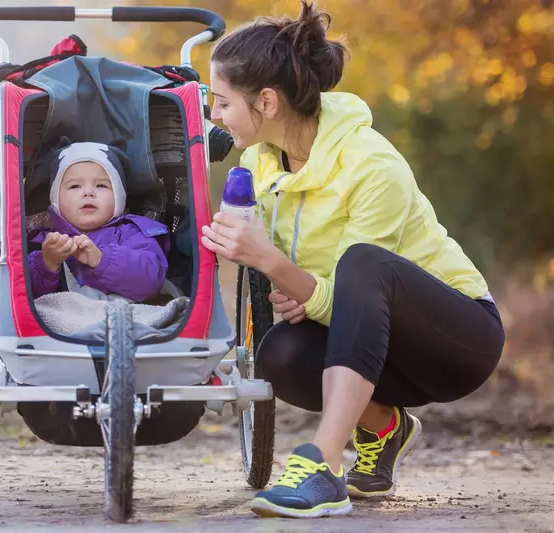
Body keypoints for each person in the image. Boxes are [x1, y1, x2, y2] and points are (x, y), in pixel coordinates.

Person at [201, 1, 505, 519]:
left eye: (222, 102)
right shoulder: (258, 163)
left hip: (458, 339)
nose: (215, 115)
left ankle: (322, 464)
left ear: (267, 103)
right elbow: (328, 296)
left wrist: (278, 266)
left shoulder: (371, 164)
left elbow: (360, 280)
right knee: (280, 354)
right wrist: (296, 286)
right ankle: (385, 426)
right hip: (374, 346)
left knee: (365, 263)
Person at [27, 138, 169, 302]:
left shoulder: (132, 232)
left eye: (101, 186)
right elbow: (25, 297)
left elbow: (151, 281)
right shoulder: (44, 240)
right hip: (64, 322)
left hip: (124, 318)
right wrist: (47, 264)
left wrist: (102, 260)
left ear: (118, 197)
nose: (88, 192)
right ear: (56, 200)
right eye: (75, 186)